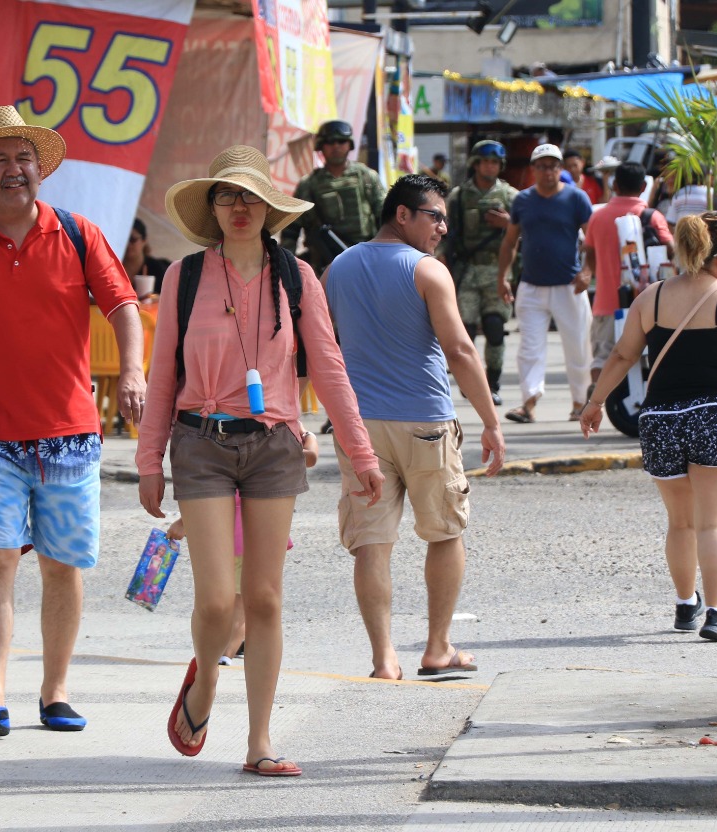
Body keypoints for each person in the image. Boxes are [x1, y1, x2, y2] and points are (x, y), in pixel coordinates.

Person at [137, 145, 384, 777]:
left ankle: (260, 741)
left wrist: (360, 452)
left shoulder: (297, 277)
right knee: (219, 600)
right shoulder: (184, 276)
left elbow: (328, 367)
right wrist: (147, 461)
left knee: (266, 598)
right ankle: (203, 687)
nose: (239, 207)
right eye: (227, 196)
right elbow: (162, 373)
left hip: (274, 444)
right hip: (201, 443)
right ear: (211, 209)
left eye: (250, 197)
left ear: (271, 209)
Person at [0, 106, 144, 737]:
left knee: (61, 564)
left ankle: (56, 691)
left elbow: (124, 304)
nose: (14, 170)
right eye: (0, 160)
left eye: (24, 159)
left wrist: (132, 372)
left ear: (39, 169)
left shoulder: (76, 234)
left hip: (70, 434)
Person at [580, 212, 717, 642]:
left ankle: (685, 606)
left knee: (680, 522)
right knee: (714, 524)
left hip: (661, 420)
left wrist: (595, 402)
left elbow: (623, 356)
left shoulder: (652, 297)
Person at [325, 174, 506, 681]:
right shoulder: (428, 271)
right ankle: (437, 647)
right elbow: (462, 351)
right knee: (445, 532)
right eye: (435, 216)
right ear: (401, 214)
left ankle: (384, 659)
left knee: (371, 541)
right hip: (425, 419)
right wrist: (491, 422)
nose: (443, 227)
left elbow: (322, 342)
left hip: (359, 424)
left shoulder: (337, 268)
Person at [165, 431, 319, 665]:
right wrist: (302, 439)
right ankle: (228, 649)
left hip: (238, 540)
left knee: (239, 603)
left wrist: (183, 522)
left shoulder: (247, 449)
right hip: (246, 538)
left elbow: (215, 500)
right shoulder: (274, 438)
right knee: (240, 601)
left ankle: (226, 652)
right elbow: (310, 456)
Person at [497, 144, 594, 424]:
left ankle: (579, 403)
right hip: (531, 285)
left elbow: (592, 241)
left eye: (553, 166)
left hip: (569, 285)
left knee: (578, 346)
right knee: (529, 347)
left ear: (560, 169)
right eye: (542, 166)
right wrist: (503, 277)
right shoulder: (523, 200)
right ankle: (528, 404)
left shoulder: (577, 198)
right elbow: (510, 241)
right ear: (533, 170)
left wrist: (587, 271)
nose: (548, 171)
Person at [440, 140, 519, 405]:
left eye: (495, 162)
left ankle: (492, 384)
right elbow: (443, 233)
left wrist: (509, 223)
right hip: (467, 272)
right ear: (475, 164)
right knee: (466, 331)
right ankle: (469, 381)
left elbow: (527, 233)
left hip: (498, 271)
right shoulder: (459, 196)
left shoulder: (511, 197)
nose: (490, 166)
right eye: (485, 161)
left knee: (496, 328)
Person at [583, 162, 674, 391]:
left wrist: (604, 275)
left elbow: (590, 256)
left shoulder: (598, 216)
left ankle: (597, 396)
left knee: (602, 357)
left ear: (614, 184)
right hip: (646, 305)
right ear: (644, 186)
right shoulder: (652, 217)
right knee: (644, 357)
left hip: (605, 302)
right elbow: (671, 250)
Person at [281, 120, 386, 275]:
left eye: (341, 141)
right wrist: (286, 267)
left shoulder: (366, 177)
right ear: (321, 146)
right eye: (330, 142)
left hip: (368, 260)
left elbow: (385, 217)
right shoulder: (309, 184)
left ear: (349, 145)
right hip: (325, 264)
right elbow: (291, 229)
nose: (336, 146)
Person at [124, 217, 171, 296]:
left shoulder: (157, 269)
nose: (128, 245)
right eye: (124, 239)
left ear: (144, 241)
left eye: (133, 239)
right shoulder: (112, 267)